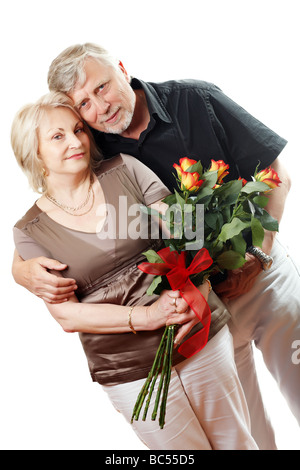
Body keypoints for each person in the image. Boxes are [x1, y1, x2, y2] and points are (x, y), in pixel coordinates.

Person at [11, 43, 300, 449]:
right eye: (84, 105)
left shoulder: (194, 99)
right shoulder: (93, 142)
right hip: (203, 302)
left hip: (262, 276)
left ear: (123, 70)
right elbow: (59, 212)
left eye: (103, 86)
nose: (101, 106)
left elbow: (276, 176)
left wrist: (257, 253)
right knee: (248, 430)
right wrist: (19, 268)